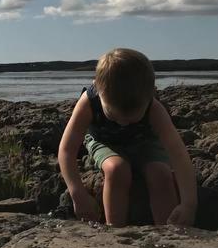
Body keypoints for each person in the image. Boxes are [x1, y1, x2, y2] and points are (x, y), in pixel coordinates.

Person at [58, 47, 197, 227]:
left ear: (150, 95)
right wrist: (77, 193)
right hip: (104, 141)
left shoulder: (154, 108)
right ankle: (116, 231)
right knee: (117, 169)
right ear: (99, 91)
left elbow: (178, 154)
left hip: (145, 143)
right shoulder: (89, 101)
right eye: (114, 116)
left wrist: (189, 204)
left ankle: (169, 233)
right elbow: (67, 150)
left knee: (160, 173)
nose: (123, 123)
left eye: (132, 118)